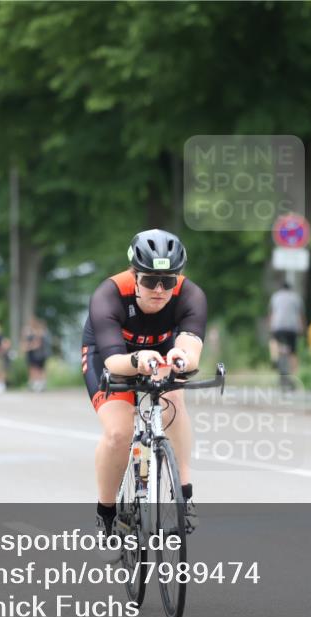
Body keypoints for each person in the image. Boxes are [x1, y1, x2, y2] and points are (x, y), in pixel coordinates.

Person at [82, 229, 207, 540]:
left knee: (174, 403)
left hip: (162, 350)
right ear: (134, 275)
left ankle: (185, 496)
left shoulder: (191, 295)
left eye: (169, 280)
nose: (160, 289)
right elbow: (114, 363)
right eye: (151, 280)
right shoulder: (108, 295)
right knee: (118, 433)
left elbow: (191, 350)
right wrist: (138, 361)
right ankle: (107, 514)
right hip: (111, 354)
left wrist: (182, 358)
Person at [268, 280, 304, 382]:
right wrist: (301, 328)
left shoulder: (275, 296)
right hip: (292, 327)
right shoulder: (296, 297)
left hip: (278, 326)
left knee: (273, 341)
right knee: (293, 353)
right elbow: (300, 314)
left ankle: (275, 358)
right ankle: (294, 376)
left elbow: (272, 313)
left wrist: (270, 326)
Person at [23, 318, 50, 392]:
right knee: (35, 369)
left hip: (39, 354)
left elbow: (37, 344)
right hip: (36, 354)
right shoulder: (35, 332)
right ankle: (36, 384)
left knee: (38, 369)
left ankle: (39, 384)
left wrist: (28, 347)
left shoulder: (40, 333)